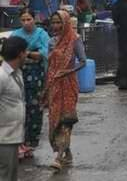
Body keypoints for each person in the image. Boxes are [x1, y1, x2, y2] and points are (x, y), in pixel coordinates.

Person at [42, 10, 86, 170]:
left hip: (68, 84)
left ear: (66, 23)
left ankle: (59, 157)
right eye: (53, 22)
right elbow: (49, 64)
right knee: (56, 121)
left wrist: (67, 71)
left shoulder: (75, 40)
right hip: (54, 84)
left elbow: (83, 61)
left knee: (66, 120)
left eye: (59, 22)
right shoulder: (51, 42)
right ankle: (67, 153)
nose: (55, 26)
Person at [10, 8, 50, 158]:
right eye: (23, 20)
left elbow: (45, 54)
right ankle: (17, 143)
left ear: (34, 19)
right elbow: (10, 53)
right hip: (18, 75)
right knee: (17, 109)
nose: (26, 23)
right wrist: (32, 54)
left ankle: (30, 143)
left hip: (37, 77)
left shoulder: (42, 34)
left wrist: (27, 54)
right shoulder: (16, 35)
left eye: (29, 19)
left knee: (34, 108)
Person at [0, 36, 28, 181]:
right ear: (20, 53)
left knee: (11, 175)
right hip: (3, 138)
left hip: (13, 136)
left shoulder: (17, 73)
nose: (27, 54)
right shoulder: (2, 76)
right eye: (26, 51)